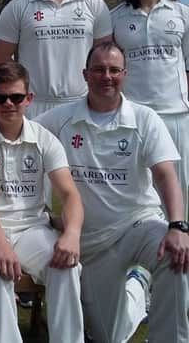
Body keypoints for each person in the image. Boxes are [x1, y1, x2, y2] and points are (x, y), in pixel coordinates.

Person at [36, 42, 189, 343]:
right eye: (99, 69)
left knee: (177, 254)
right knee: (108, 337)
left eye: (114, 70)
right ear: (85, 74)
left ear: (124, 74)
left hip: (138, 224)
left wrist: (177, 226)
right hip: (91, 242)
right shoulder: (60, 119)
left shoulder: (145, 118)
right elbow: (16, 132)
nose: (106, 76)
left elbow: (165, 173)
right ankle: (137, 287)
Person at [0, 61, 85, 343]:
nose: (8, 104)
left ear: (29, 99)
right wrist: (1, 245)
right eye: (0, 97)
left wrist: (72, 235)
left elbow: (70, 194)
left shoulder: (45, 139)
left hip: (31, 229)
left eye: (16, 97)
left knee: (67, 264)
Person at [111, 0, 189, 217]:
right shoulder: (116, 18)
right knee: (138, 192)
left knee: (179, 190)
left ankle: (181, 248)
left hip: (175, 116)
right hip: (135, 118)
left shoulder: (183, 15)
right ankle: (141, 253)